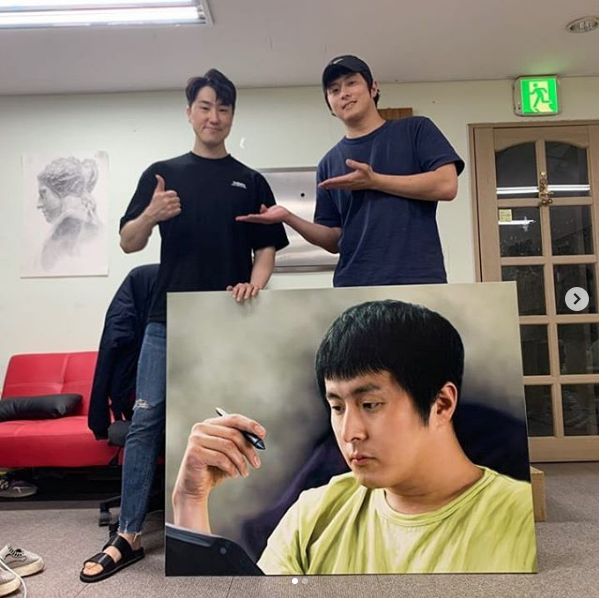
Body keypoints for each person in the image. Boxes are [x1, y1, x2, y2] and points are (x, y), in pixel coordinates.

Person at [80, 69, 289, 583]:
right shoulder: (162, 174)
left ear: (232, 116)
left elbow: (267, 249)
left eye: (223, 108)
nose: (214, 116)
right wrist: (151, 214)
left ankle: (231, 531)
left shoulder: (250, 181)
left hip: (227, 319)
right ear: (189, 112)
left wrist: (255, 285)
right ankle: (128, 535)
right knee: (146, 422)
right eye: (205, 106)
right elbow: (129, 242)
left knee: (227, 420)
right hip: (165, 319)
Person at [171, 300, 537, 574]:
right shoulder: (313, 515)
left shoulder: (519, 517)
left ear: (441, 404)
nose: (349, 433)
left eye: (371, 404)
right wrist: (190, 501)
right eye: (337, 407)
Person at [237, 55, 465, 287]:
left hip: (418, 278)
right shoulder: (329, 163)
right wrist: (289, 217)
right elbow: (333, 240)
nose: (343, 93)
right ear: (330, 107)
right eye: (334, 90)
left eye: (351, 83)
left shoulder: (415, 129)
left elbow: (446, 185)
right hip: (354, 283)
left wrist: (375, 181)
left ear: (373, 88)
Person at [36, 156, 102, 270]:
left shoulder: (61, 237)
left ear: (64, 192)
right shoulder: (94, 225)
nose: (39, 204)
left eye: (43, 194)